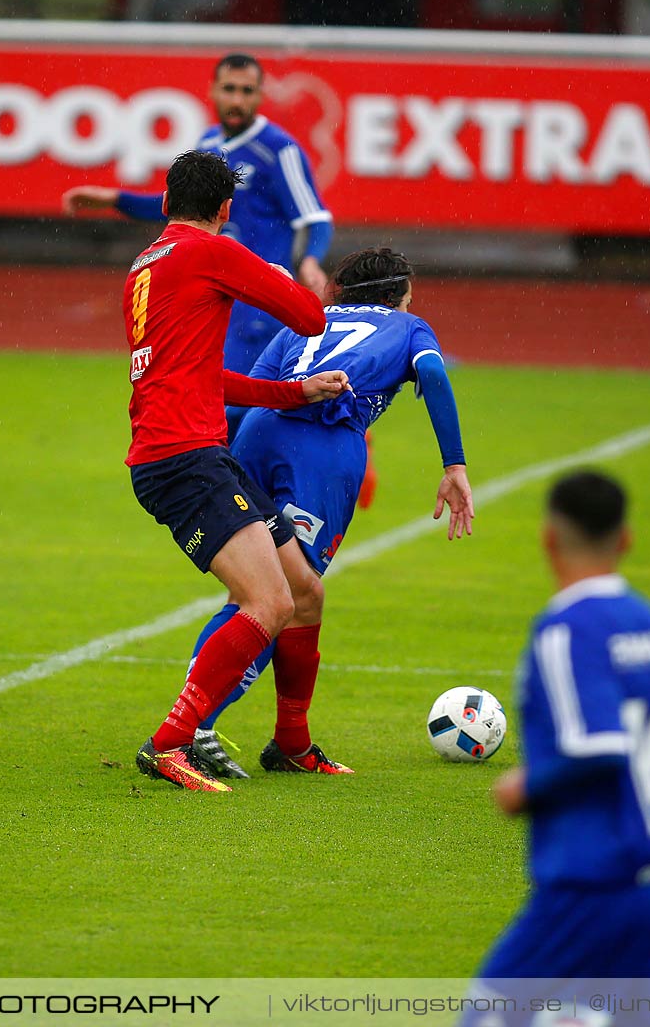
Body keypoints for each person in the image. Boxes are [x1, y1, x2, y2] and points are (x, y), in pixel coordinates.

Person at [179, 247, 475, 781]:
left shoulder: (307, 321)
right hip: (319, 452)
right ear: (394, 295)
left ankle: (288, 739)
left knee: (262, 592)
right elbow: (433, 375)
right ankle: (194, 726)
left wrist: (201, 445)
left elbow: (251, 392)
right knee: (289, 595)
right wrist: (454, 464)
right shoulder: (409, 326)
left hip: (257, 435)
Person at [124, 150, 350, 793]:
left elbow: (194, 378)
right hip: (184, 461)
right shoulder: (213, 252)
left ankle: (292, 744)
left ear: (165, 202)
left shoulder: (144, 266)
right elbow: (310, 316)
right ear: (226, 210)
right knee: (267, 600)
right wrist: (272, 265)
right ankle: (171, 743)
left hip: (190, 452)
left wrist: (291, 392)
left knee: (302, 592)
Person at [470, 470, 650, 1020]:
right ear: (626, 539)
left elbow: (599, 747)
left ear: (548, 538)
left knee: (488, 1012)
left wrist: (527, 786)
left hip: (595, 880)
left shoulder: (565, 630)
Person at [64, 53, 335, 429]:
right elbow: (180, 207)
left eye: (246, 91)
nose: (236, 100)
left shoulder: (279, 149)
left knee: (240, 411)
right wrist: (116, 200)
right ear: (212, 91)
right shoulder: (208, 142)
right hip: (214, 296)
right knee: (217, 400)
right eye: (229, 89)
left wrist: (310, 259)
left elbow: (316, 218)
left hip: (257, 301)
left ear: (260, 96)